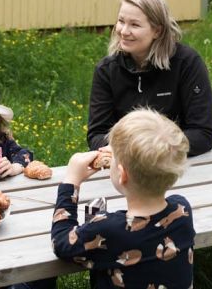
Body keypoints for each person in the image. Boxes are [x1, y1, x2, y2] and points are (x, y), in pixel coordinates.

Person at [52, 108, 194, 288]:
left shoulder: (108, 228)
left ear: (121, 174)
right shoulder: (183, 210)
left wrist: (71, 181)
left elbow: (62, 243)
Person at [88, 0, 212, 156]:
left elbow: (203, 133)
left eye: (134, 24)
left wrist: (153, 150)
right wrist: (135, 153)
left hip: (177, 164)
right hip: (127, 168)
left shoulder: (187, 63)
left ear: (157, 30)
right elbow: (97, 135)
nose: (124, 31)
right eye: (121, 21)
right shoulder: (106, 71)